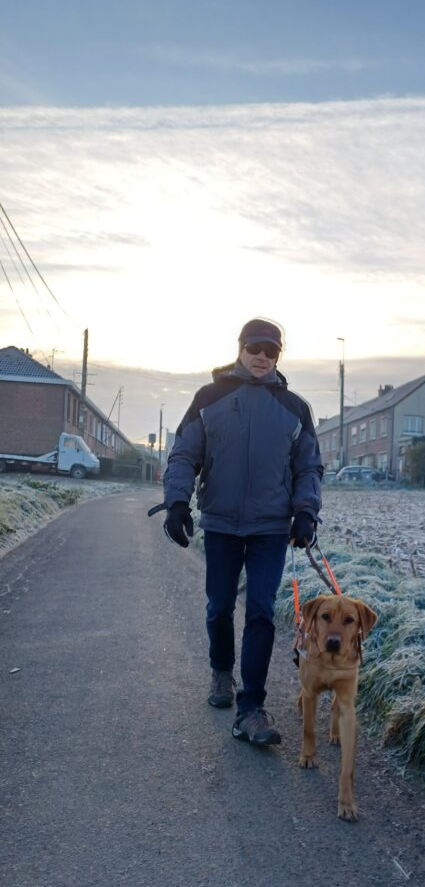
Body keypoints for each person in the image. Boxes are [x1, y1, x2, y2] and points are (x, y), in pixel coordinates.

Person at [162, 318, 323, 747]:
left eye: (271, 351)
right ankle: (221, 673)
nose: (262, 357)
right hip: (221, 524)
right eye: (256, 348)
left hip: (272, 527)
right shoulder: (210, 397)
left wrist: (306, 512)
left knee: (261, 612)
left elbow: (308, 466)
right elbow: (183, 454)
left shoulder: (294, 407)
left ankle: (251, 709)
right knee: (218, 607)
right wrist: (178, 500)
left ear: (278, 357)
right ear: (241, 347)